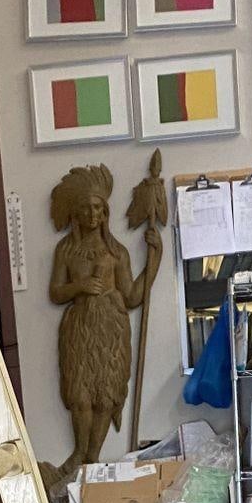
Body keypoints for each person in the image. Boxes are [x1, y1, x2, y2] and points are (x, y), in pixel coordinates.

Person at [49, 165, 159, 475]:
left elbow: (132, 296)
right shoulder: (66, 250)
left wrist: (155, 260)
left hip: (111, 327)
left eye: (97, 207)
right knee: (80, 395)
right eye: (85, 207)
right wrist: (79, 286)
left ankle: (92, 458)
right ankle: (79, 454)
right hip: (80, 327)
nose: (92, 213)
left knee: (106, 395)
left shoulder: (116, 253)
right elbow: (56, 292)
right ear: (76, 212)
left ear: (105, 211)